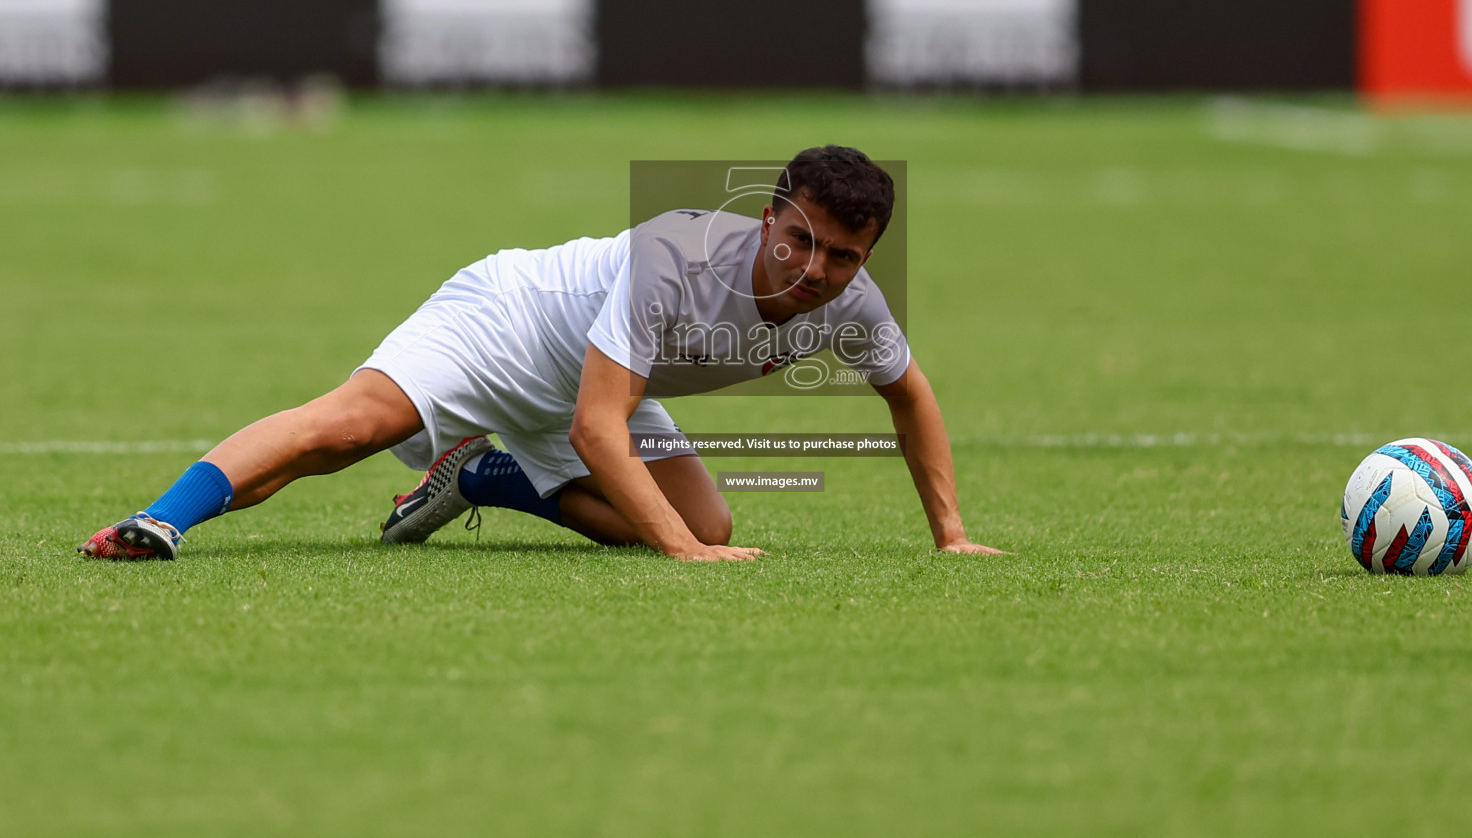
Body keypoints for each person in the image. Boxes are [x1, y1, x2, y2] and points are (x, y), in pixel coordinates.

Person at [79, 146, 1005, 563]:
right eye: (803, 242)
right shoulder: (676, 253)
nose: (820, 270)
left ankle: (486, 478)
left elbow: (910, 397)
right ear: (770, 218)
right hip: (510, 322)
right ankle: (158, 522)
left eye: (847, 256)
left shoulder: (855, 304)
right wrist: (679, 556)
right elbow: (599, 427)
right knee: (350, 429)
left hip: (601, 377)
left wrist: (952, 538)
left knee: (711, 525)